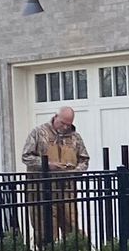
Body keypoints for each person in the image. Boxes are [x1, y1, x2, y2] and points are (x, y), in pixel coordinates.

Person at [22, 100, 90, 243]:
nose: (65, 127)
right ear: (55, 117)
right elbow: (26, 156)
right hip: (41, 191)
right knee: (45, 229)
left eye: (68, 124)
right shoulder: (39, 133)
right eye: (62, 123)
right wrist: (46, 165)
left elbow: (84, 159)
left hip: (66, 190)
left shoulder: (75, 137)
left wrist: (75, 171)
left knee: (71, 228)